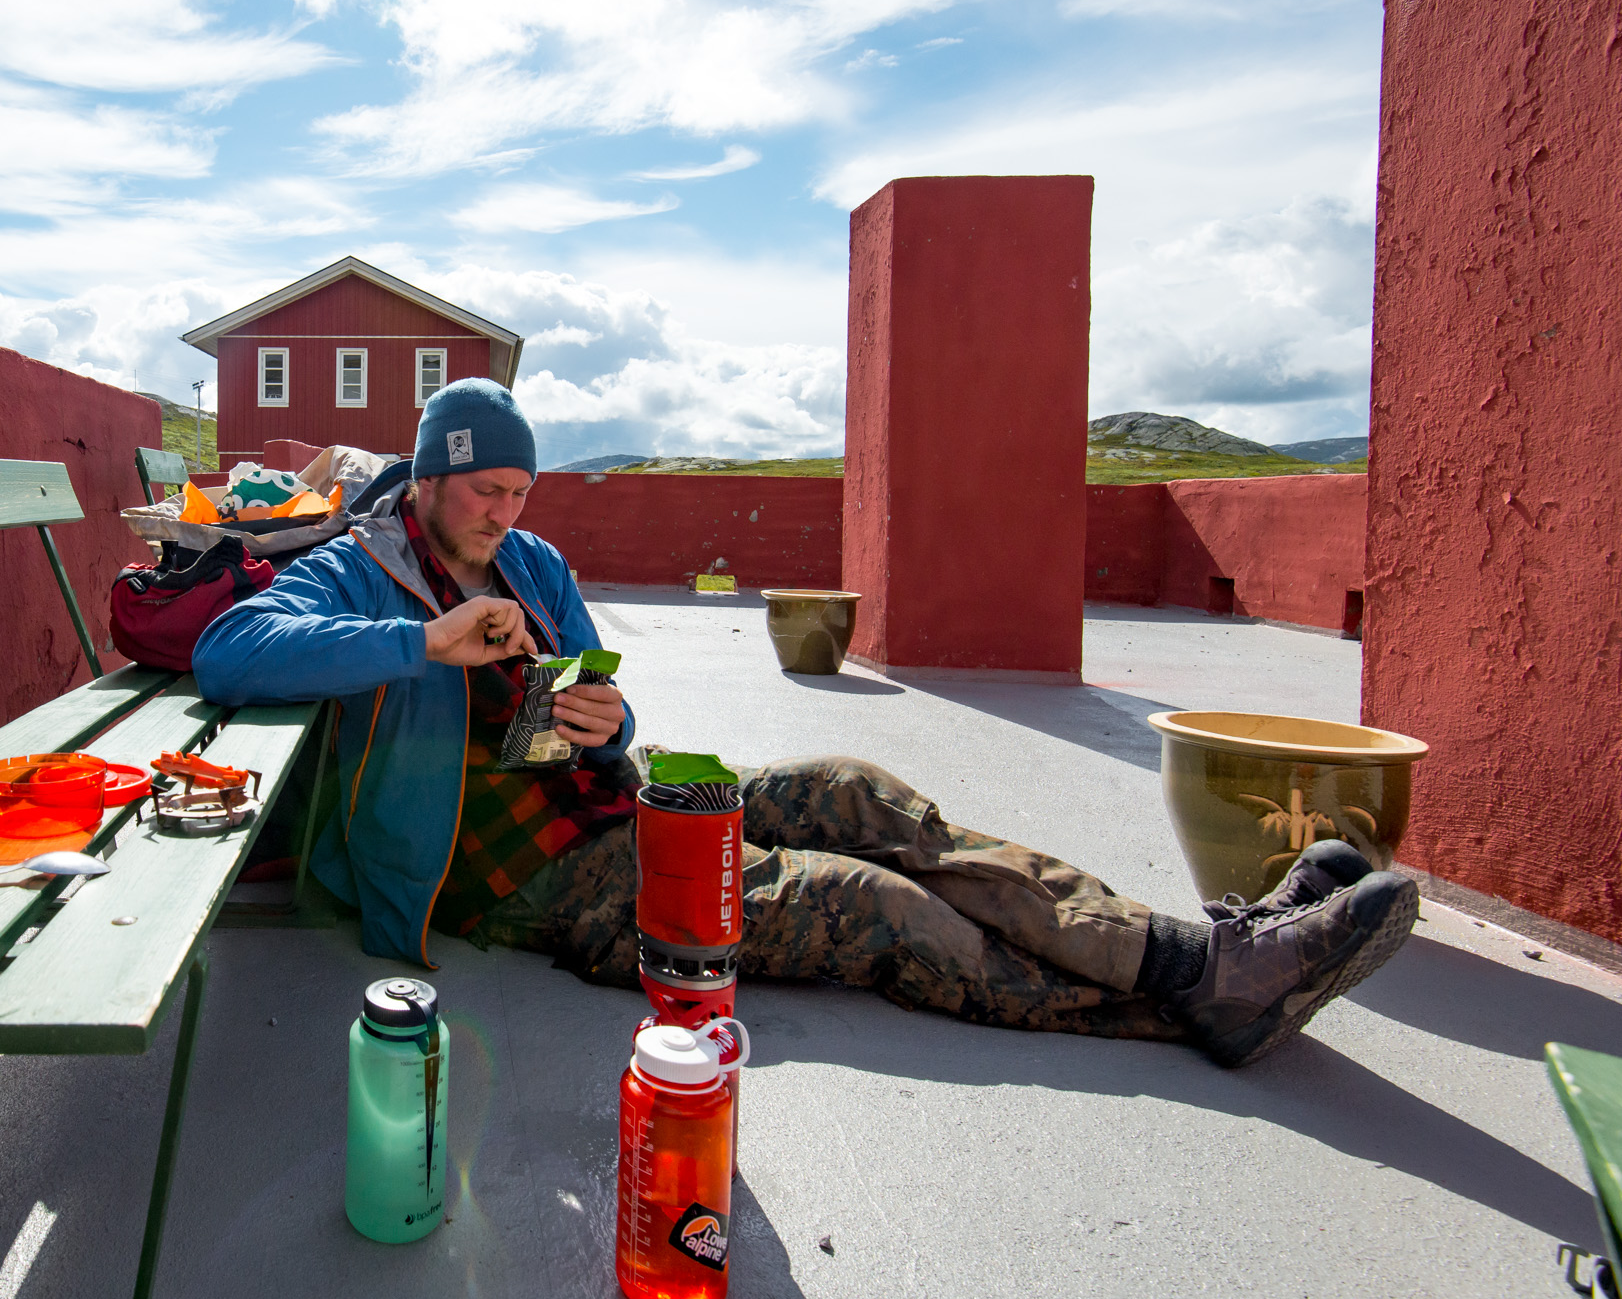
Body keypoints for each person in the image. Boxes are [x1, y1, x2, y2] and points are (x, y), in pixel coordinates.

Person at [192, 381, 1419, 1067]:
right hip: (517, 882)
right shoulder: (357, 571)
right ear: (427, 477)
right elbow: (228, 650)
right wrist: (421, 642)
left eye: (520, 492)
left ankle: (1193, 954)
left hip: (605, 800)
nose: (503, 515)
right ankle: (1194, 987)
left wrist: (609, 719)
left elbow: (607, 714)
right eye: (483, 491)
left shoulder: (534, 560)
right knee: (867, 904)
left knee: (857, 789)